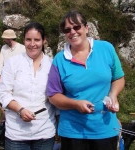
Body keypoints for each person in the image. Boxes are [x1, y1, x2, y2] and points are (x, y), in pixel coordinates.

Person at [47, 10, 125, 150]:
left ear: (86, 28)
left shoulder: (106, 48)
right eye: (67, 29)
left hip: (105, 129)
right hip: (73, 131)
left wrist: (113, 95)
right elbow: (53, 96)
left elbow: (118, 78)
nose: (72, 32)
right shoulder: (59, 59)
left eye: (77, 27)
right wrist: (75, 104)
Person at [0, 22, 56, 150]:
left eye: (37, 40)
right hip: (16, 134)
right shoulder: (12, 63)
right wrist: (20, 110)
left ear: (44, 40)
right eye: (28, 39)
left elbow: (56, 96)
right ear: (23, 40)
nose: (32, 44)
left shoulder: (52, 65)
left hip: (44, 132)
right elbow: (3, 93)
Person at [0, 29, 26, 120]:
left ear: (9, 39)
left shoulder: (22, 48)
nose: (4, 40)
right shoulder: (4, 48)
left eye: (5, 38)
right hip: (5, 76)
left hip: (17, 77)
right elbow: (0, 62)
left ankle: (8, 109)